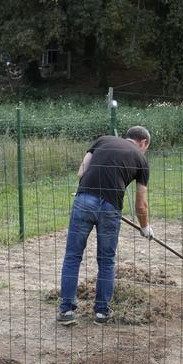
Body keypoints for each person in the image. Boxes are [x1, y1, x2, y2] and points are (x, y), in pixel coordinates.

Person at [58, 126, 153, 325]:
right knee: (106, 260)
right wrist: (145, 227)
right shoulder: (142, 160)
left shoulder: (102, 140)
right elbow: (141, 203)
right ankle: (101, 312)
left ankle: (66, 310)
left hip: (84, 200)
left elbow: (81, 172)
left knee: (73, 256)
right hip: (111, 208)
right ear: (143, 143)